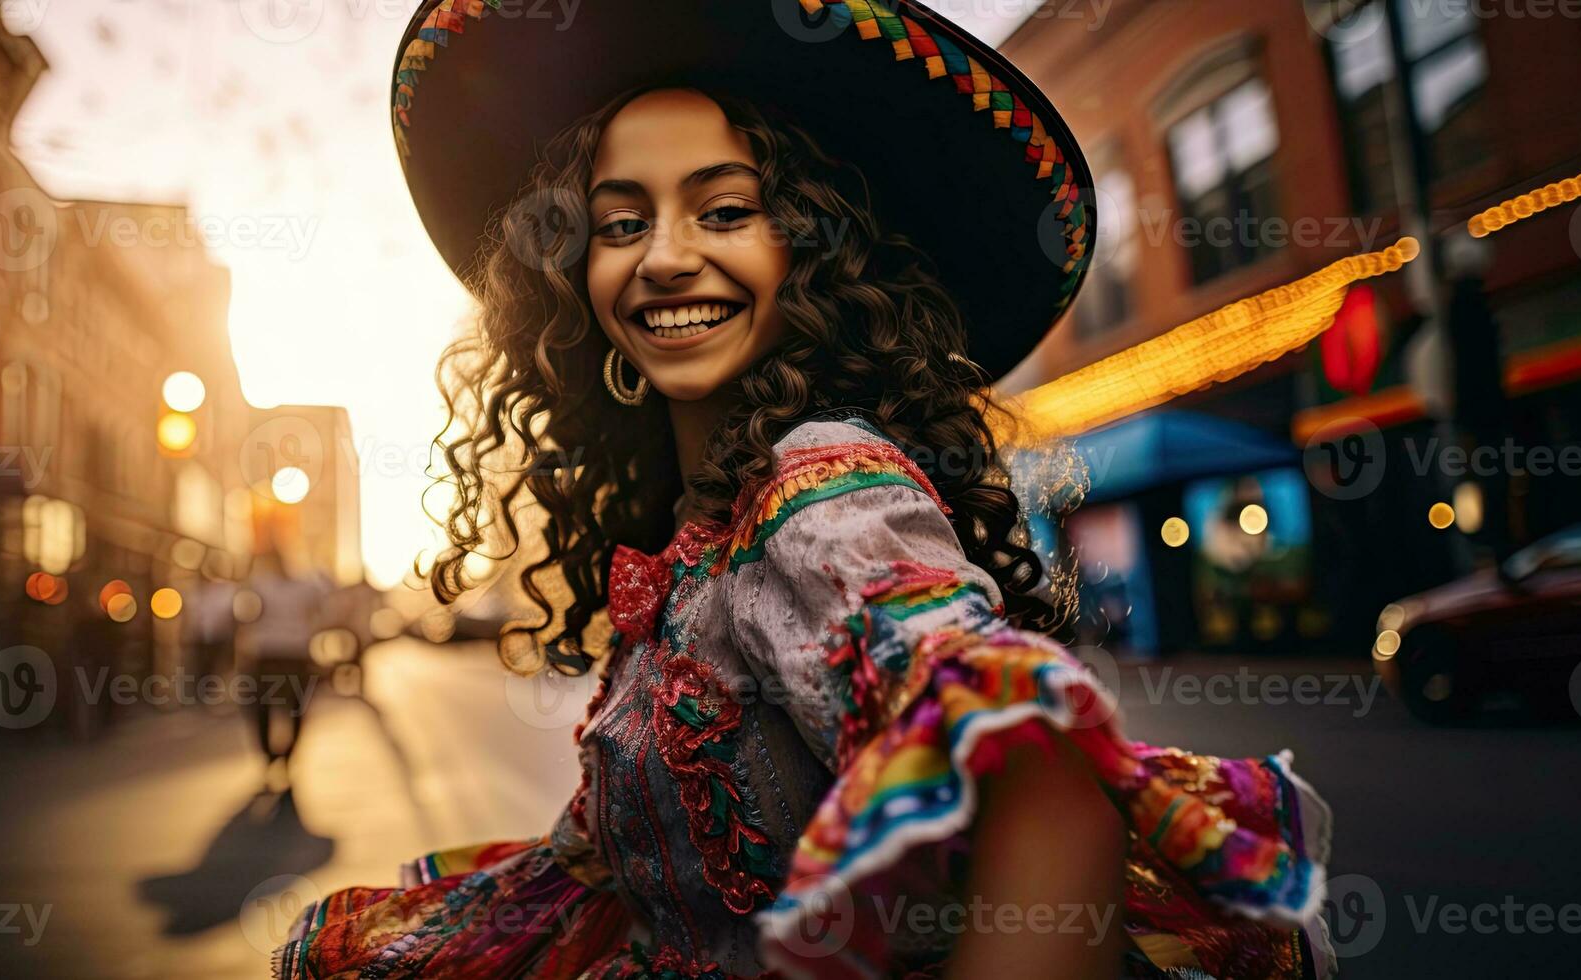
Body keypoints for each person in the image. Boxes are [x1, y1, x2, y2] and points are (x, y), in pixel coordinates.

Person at [276, 2, 1332, 977]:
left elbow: (1051, 795)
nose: (667, 258)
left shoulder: (821, 483)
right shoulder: (700, 531)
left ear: (810, 249)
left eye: (726, 209)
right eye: (620, 221)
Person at [239, 547, 330, 789]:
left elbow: (245, 616)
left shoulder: (260, 585)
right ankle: (283, 759)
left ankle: (274, 759)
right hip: (291, 653)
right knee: (293, 709)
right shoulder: (305, 586)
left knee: (265, 708)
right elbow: (322, 611)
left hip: (272, 653)